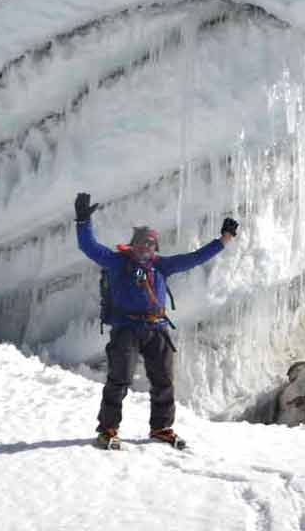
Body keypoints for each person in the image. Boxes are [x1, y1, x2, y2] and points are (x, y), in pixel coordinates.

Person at [74, 192, 238, 449]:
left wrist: (223, 240)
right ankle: (107, 429)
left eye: (151, 245)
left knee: (163, 379)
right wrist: (83, 222)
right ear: (133, 245)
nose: (146, 248)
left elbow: (194, 258)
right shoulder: (117, 263)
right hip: (126, 328)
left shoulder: (161, 266)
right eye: (142, 244)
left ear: (155, 248)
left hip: (156, 328)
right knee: (120, 378)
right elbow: (89, 248)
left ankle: (161, 428)